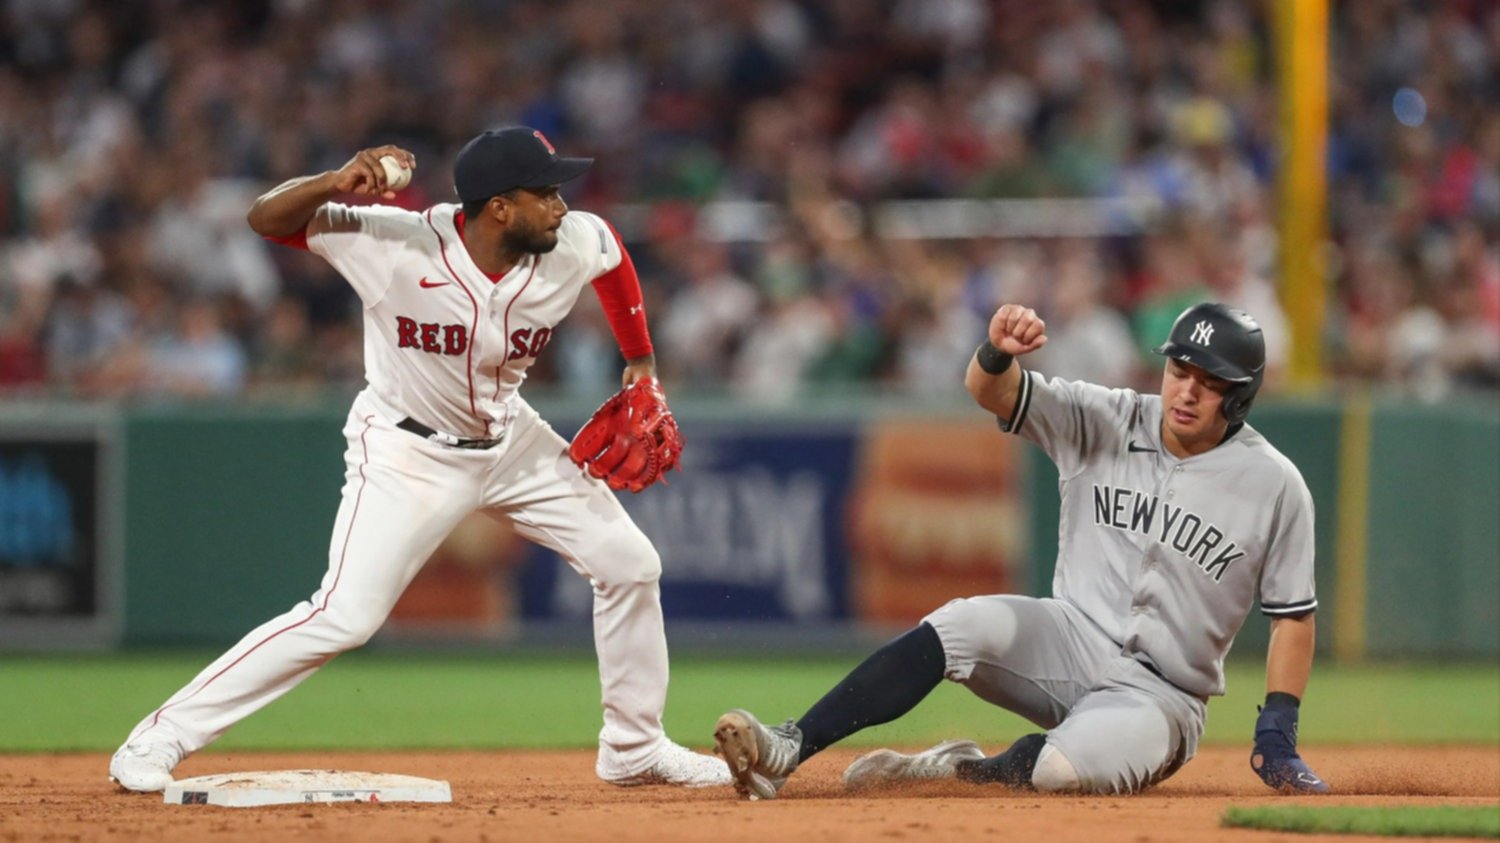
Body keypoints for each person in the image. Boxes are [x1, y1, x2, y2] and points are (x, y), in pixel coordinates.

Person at [109, 127, 730, 792]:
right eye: (545, 192)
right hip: (408, 449)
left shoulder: (572, 239)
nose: (562, 206)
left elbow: (612, 261)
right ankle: (159, 735)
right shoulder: (393, 243)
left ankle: (634, 747)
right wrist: (332, 181)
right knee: (344, 615)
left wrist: (640, 359)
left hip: (510, 440)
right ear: (499, 207)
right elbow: (265, 218)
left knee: (631, 564)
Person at [713, 302, 1329, 798]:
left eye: (1210, 382)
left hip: (1162, 695)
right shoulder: (1109, 417)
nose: (1187, 392)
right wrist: (996, 353)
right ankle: (789, 746)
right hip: (1068, 635)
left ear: (1241, 396)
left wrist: (1278, 729)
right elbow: (992, 391)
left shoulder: (1274, 484)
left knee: (1061, 773)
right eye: (1179, 371)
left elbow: (1292, 617)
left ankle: (962, 770)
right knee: (961, 623)